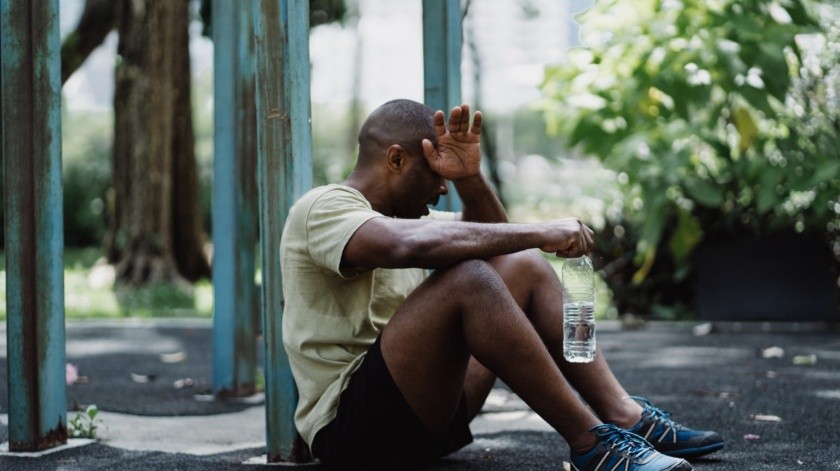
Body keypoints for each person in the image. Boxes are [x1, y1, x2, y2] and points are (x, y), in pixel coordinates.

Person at [280, 99, 723, 470]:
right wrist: (542, 230)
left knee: (523, 266)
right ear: (396, 159)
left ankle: (624, 415)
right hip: (356, 431)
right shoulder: (324, 207)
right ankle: (593, 445)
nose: (440, 190)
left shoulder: (414, 220)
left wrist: (471, 180)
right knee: (470, 280)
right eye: (435, 175)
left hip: (430, 414)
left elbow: (498, 248)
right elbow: (404, 246)